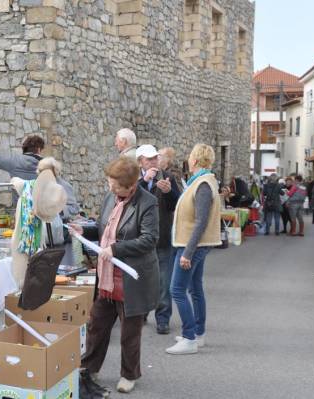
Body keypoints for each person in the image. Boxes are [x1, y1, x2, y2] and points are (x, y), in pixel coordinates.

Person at [69, 156, 159, 394]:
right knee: (96, 325)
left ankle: (129, 374)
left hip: (132, 279)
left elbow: (149, 240)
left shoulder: (148, 202)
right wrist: (84, 229)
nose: (110, 188)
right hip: (107, 277)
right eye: (110, 182)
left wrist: (116, 249)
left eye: (116, 185)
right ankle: (88, 368)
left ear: (131, 186)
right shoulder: (111, 196)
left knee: (130, 333)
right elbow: (102, 227)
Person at [166, 144, 221, 355]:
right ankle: (198, 334)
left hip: (192, 245)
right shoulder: (200, 182)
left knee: (177, 290)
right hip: (193, 243)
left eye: (190, 157)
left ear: (195, 160)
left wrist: (187, 253)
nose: (188, 160)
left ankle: (189, 338)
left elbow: (200, 222)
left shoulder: (203, 185)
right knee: (195, 289)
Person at [136, 145, 181, 335]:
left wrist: (170, 191)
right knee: (142, 279)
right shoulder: (135, 179)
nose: (154, 162)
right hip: (141, 238)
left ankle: (163, 319)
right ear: (140, 162)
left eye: (155, 158)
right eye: (149, 159)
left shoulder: (168, 177)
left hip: (162, 236)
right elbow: (128, 201)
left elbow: (178, 204)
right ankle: (141, 313)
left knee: (164, 281)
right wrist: (143, 183)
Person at [0, 134, 79, 217]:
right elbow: (73, 206)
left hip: (22, 217)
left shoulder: (14, 162)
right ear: (38, 149)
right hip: (44, 217)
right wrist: (58, 212)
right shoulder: (47, 166)